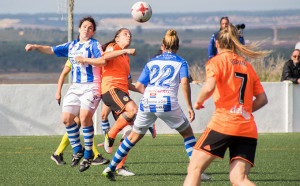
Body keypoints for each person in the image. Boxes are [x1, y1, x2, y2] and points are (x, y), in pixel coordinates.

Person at [102, 29, 211, 181]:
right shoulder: (181, 62)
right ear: (177, 47)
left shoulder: (152, 62)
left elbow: (140, 85)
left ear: (162, 46)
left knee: (133, 137)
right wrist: (189, 106)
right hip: (167, 101)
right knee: (187, 134)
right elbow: (185, 82)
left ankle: (110, 167)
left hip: (147, 100)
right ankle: (197, 172)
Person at [183, 23, 269, 186]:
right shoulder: (248, 67)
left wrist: (198, 101)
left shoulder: (216, 62)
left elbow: (209, 86)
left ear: (216, 44)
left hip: (223, 124)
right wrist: (244, 111)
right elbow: (262, 99)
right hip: (247, 128)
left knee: (194, 169)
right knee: (239, 179)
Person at [25, 16, 109, 172]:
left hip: (92, 86)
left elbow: (103, 61)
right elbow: (51, 49)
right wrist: (35, 46)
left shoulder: (94, 45)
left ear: (93, 32)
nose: (87, 29)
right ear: (79, 29)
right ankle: (78, 150)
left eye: (90, 28)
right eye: (84, 26)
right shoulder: (72, 46)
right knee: (66, 119)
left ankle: (89, 153)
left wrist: (85, 59)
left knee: (84, 118)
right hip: (76, 86)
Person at [75, 28, 139, 176]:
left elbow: (129, 84)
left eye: (130, 34)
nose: (128, 36)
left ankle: (118, 167)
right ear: (116, 39)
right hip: (111, 90)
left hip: (122, 92)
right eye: (125, 34)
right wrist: (126, 51)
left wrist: (145, 90)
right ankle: (110, 134)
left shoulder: (126, 58)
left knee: (130, 133)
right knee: (133, 110)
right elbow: (106, 58)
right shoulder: (113, 47)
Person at [51, 60, 109, 166]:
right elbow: (64, 73)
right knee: (84, 121)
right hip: (81, 93)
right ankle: (94, 155)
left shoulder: (92, 55)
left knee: (79, 123)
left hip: (89, 91)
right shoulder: (74, 55)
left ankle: (58, 153)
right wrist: (58, 91)